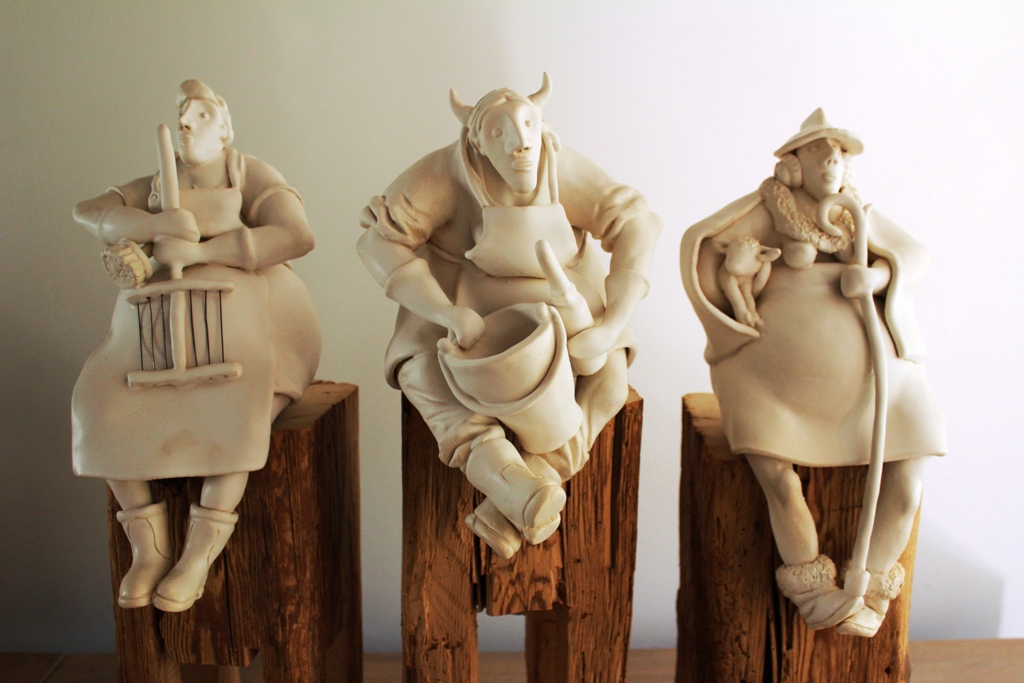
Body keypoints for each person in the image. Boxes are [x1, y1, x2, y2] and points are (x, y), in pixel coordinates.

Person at [358, 74, 661, 558]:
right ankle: (499, 471)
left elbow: (637, 222)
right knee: (424, 378)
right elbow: (379, 241)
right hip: (464, 308)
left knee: (609, 386)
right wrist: (445, 311)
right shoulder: (442, 173)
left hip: (566, 303)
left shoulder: (558, 162)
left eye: (528, 126)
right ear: (477, 140)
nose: (520, 144)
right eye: (499, 132)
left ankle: (524, 489)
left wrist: (610, 324)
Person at [680, 109, 946, 637]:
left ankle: (870, 588)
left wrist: (877, 276)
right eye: (819, 153)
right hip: (777, 379)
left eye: (839, 156)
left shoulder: (856, 215)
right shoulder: (770, 208)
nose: (831, 163)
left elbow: (915, 255)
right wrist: (743, 278)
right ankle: (811, 588)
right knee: (778, 477)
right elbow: (705, 245)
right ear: (793, 163)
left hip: (872, 379)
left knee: (912, 467)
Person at [72, 80, 320, 612]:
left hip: (245, 315)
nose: (187, 123)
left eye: (202, 115)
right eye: (184, 114)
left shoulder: (248, 173)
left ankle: (198, 555)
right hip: (159, 320)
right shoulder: (157, 183)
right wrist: (150, 223)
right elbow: (88, 211)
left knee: (240, 415)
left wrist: (206, 250)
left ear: (225, 127)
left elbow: (296, 234)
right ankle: (150, 548)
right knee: (101, 405)